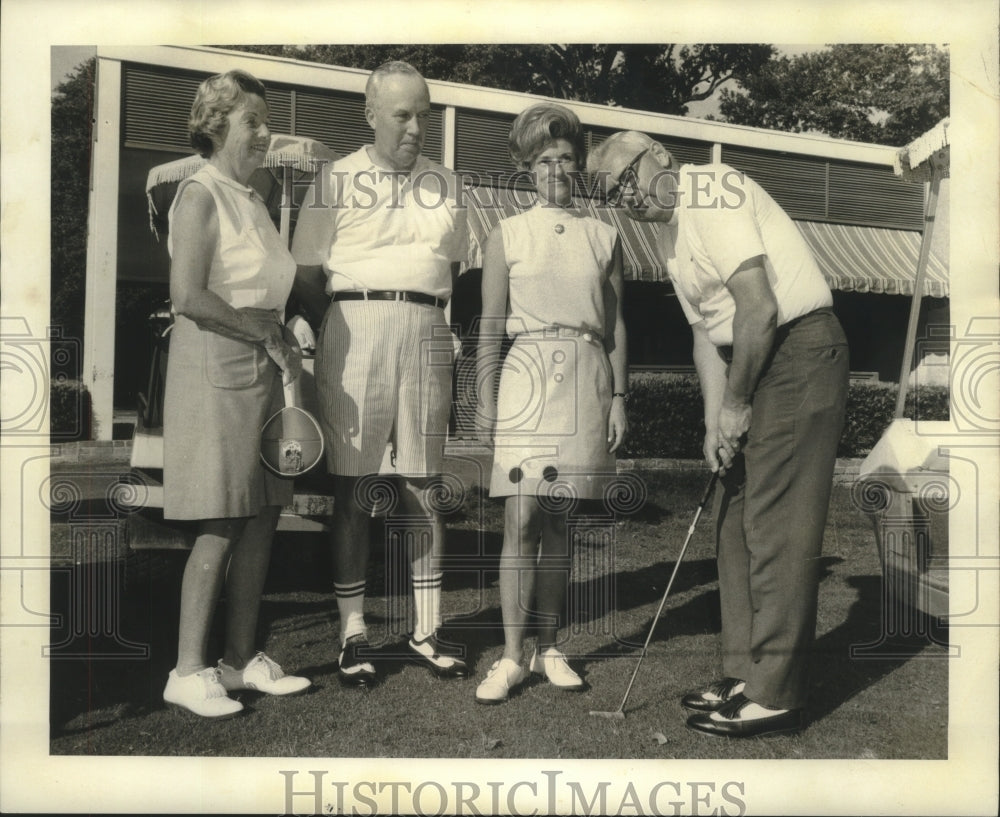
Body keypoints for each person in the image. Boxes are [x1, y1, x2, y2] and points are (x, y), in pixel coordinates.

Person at [588, 131, 849, 737]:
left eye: (628, 180)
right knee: (731, 518)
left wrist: (736, 404)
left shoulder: (713, 188)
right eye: (612, 196)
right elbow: (709, 333)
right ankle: (743, 672)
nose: (627, 199)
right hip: (752, 359)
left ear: (658, 154)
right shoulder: (669, 229)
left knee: (776, 524)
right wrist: (715, 419)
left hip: (799, 352)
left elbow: (757, 309)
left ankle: (777, 693)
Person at [291, 61, 470, 685]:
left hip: (426, 330)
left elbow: (453, 272)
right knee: (355, 487)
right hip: (353, 327)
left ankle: (426, 630)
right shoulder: (334, 179)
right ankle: (353, 633)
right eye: (403, 114)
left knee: (424, 485)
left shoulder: (449, 183)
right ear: (370, 115)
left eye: (425, 114)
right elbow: (306, 276)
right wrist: (344, 326)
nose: (417, 127)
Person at [161, 69, 311, 718]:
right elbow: (187, 295)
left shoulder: (253, 196)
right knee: (221, 520)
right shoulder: (199, 195)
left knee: (263, 516)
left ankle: (241, 657)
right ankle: (187, 669)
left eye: (265, 121)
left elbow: (270, 285)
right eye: (253, 121)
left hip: (265, 366)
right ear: (218, 125)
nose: (265, 132)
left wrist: (289, 324)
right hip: (215, 364)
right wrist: (263, 329)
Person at [473, 103, 629, 704]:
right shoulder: (506, 233)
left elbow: (616, 327)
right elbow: (489, 326)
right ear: (526, 169)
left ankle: (550, 645)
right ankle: (512, 657)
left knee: (560, 517)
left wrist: (620, 396)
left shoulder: (604, 236)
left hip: (586, 374)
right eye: (544, 160)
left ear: (580, 164)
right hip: (526, 377)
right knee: (521, 515)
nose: (557, 169)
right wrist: (485, 403)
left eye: (566, 157)